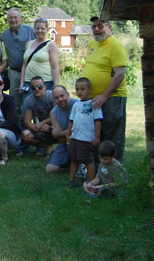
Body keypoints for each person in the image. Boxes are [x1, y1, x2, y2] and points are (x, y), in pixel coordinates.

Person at [81, 16, 128, 164]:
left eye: (100, 26)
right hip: (93, 100)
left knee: (112, 137)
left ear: (109, 27)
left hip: (112, 98)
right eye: (93, 26)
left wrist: (104, 95)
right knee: (96, 135)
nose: (96, 29)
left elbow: (120, 74)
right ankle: (98, 170)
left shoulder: (116, 45)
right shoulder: (92, 44)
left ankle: (115, 173)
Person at [0, 7, 35, 128]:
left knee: (33, 102)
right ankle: (18, 131)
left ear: (20, 18)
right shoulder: (4, 35)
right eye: (10, 17)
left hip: (31, 72)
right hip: (14, 73)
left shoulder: (31, 31)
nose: (13, 20)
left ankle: (36, 131)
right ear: (7, 19)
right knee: (15, 103)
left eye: (15, 17)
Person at [67, 77, 103, 187]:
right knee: (74, 159)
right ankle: (71, 181)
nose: (79, 92)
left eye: (82, 89)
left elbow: (97, 121)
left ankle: (92, 183)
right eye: (77, 89)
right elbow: (71, 120)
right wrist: (68, 134)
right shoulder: (76, 104)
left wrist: (96, 137)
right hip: (75, 137)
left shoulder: (94, 104)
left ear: (89, 89)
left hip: (86, 138)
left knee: (87, 160)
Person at [20, 17, 60, 93]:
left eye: (42, 29)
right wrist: (22, 83)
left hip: (45, 83)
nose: (40, 31)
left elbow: (55, 68)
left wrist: (56, 86)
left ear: (47, 30)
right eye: (37, 28)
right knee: (28, 104)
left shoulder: (51, 45)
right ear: (34, 29)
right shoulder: (28, 44)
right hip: (29, 82)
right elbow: (24, 65)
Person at [20, 77, 56, 157]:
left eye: (39, 86)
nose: (37, 89)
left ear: (44, 87)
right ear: (31, 89)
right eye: (33, 87)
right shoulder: (28, 100)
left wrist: (42, 124)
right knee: (25, 135)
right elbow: (26, 121)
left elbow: (57, 116)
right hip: (41, 128)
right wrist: (38, 127)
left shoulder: (51, 96)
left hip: (56, 127)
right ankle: (47, 147)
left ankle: (62, 150)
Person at [46, 86, 77, 173]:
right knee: (50, 169)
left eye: (62, 96)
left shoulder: (77, 105)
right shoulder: (53, 112)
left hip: (80, 142)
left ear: (67, 94)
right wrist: (66, 133)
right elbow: (59, 138)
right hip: (65, 143)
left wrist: (60, 133)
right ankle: (69, 166)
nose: (60, 99)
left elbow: (79, 130)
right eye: (56, 98)